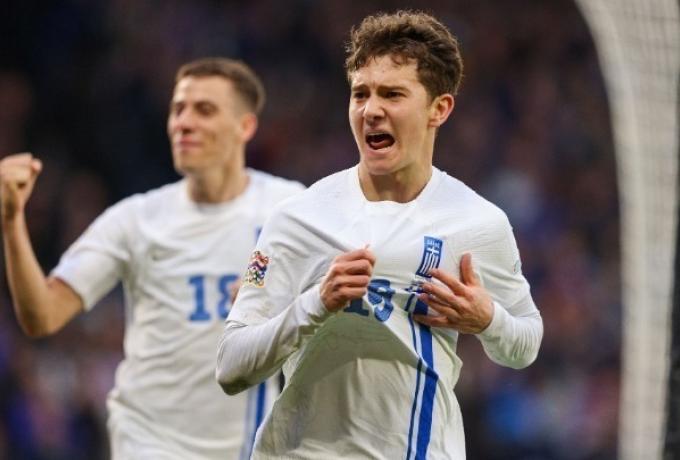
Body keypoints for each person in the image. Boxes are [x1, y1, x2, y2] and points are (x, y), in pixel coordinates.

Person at [216, 10, 543, 459]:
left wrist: (488, 320)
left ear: (439, 109)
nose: (371, 111)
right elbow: (231, 366)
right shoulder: (298, 219)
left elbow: (525, 343)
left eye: (392, 94)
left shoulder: (477, 223)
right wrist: (316, 303)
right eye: (360, 94)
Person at [0, 57, 304, 460]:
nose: (184, 122)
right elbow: (43, 315)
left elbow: (338, 307)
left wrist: (283, 305)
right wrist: (11, 220)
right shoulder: (135, 220)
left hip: (247, 446)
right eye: (178, 109)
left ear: (244, 127)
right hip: (149, 444)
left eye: (204, 110)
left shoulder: (289, 210)